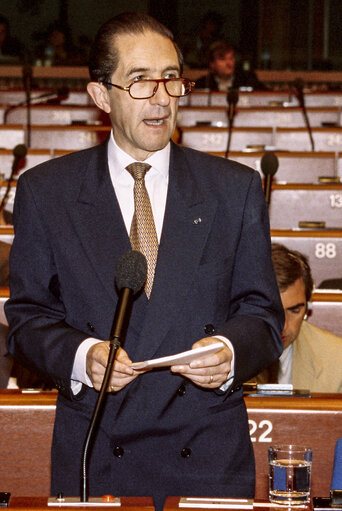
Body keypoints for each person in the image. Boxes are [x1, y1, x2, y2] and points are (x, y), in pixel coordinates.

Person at [5, 12, 283, 510]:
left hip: (207, 457)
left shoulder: (233, 189)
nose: (161, 97)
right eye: (139, 82)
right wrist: (81, 354)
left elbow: (264, 317)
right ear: (99, 96)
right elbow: (26, 320)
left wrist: (227, 350)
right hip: (98, 449)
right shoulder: (47, 192)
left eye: (172, 79)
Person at [255, 243, 342, 392]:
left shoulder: (337, 359)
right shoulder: (215, 352)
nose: (283, 326)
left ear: (308, 307)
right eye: (271, 312)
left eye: (295, 310)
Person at [195, 40, 266, 92]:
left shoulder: (248, 80)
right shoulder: (203, 84)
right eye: (223, 59)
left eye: (231, 58)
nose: (229, 63)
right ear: (212, 64)